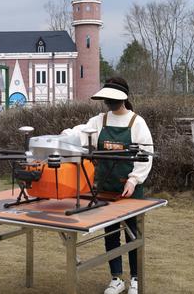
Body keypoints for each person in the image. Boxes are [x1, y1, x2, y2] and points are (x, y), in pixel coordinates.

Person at [61, 77, 153, 294]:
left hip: (129, 190)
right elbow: (79, 133)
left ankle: (136, 279)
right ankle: (116, 278)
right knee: (111, 234)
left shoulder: (136, 122)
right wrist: (61, 137)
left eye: (113, 100)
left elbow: (146, 155)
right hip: (104, 187)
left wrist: (133, 180)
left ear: (123, 99)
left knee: (133, 233)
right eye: (107, 100)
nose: (109, 104)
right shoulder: (99, 121)